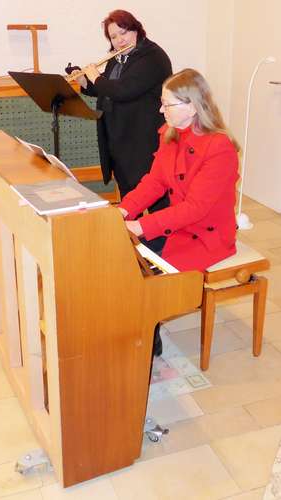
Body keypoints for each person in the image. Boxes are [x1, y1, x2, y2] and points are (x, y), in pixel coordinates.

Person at [118, 68, 240, 356]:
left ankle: (148, 333)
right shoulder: (172, 134)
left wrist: (141, 226)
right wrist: (125, 210)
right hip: (181, 224)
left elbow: (196, 209)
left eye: (167, 104)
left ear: (192, 106)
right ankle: (137, 326)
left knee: (150, 275)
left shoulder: (219, 148)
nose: (161, 110)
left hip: (207, 235)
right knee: (124, 259)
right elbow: (155, 181)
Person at [70, 9, 172, 202]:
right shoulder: (118, 57)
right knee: (129, 197)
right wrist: (86, 82)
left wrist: (95, 76)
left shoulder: (152, 57)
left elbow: (123, 90)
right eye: (113, 37)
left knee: (153, 197)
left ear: (136, 29)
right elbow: (108, 88)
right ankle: (132, 232)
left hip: (142, 139)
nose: (119, 40)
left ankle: (156, 233)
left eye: (123, 32)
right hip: (119, 137)